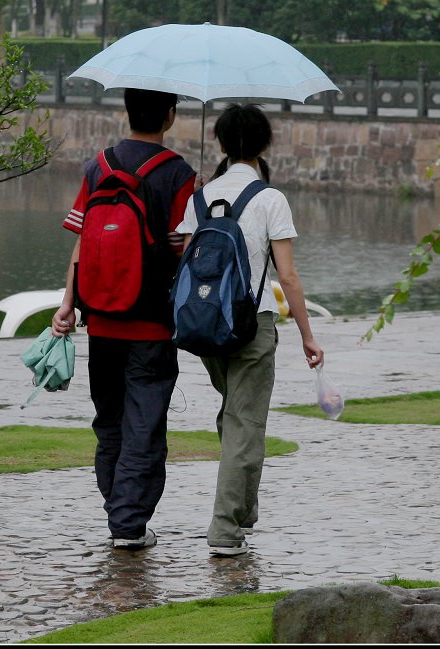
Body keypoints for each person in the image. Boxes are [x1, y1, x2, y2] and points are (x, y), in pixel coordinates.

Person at [175, 103, 324, 557]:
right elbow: (289, 277)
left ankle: (243, 510)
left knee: (234, 417)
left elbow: (185, 264)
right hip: (253, 325)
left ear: (219, 143)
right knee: (245, 423)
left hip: (206, 325)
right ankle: (225, 530)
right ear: (263, 145)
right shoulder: (270, 199)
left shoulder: (198, 197)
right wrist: (307, 335)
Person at [51, 88, 197, 550]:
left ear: (127, 112)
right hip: (152, 323)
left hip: (101, 322)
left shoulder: (99, 166)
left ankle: (119, 509)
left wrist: (68, 303)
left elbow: (81, 242)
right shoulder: (178, 174)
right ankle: (128, 524)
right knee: (144, 424)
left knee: (109, 420)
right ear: (170, 116)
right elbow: (182, 249)